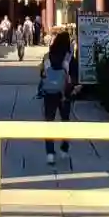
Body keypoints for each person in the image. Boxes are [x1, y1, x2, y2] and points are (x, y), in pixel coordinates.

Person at [37, 30, 79, 162]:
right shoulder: (69, 58)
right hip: (65, 93)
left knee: (49, 122)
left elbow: (42, 73)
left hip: (49, 92)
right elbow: (75, 76)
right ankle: (64, 149)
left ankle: (50, 153)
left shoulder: (48, 56)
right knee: (65, 121)